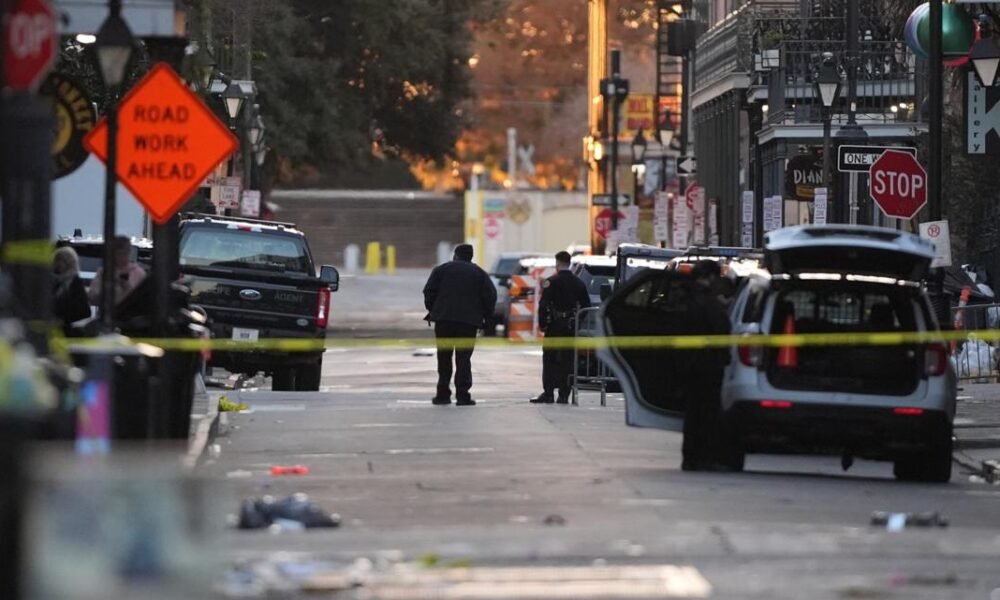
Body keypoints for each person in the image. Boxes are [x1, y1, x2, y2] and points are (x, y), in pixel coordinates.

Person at [423, 244, 497, 406]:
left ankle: (442, 394)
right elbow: (490, 296)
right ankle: (463, 395)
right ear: (471, 257)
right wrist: (485, 316)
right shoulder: (479, 273)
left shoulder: (441, 270)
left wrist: (435, 310)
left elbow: (429, 292)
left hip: (444, 321)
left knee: (444, 357)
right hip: (468, 322)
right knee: (463, 359)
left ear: (455, 255)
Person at [681, 260, 733, 471]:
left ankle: (691, 457)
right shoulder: (707, 302)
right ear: (710, 277)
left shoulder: (685, 298)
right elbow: (721, 327)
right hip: (707, 365)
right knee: (707, 412)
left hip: (691, 364)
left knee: (693, 413)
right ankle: (703, 456)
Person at [530, 251, 590, 404]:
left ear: (557, 263)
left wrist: (543, 324)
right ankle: (564, 395)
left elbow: (543, 305)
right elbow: (586, 307)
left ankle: (548, 393)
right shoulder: (578, 283)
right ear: (569, 263)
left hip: (554, 326)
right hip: (570, 327)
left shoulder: (551, 281)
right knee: (568, 360)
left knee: (550, 358)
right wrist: (577, 321)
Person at [87, 236, 146, 306]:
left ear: (129, 253)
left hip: (130, 315)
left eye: (124, 253)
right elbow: (92, 298)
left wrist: (126, 287)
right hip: (108, 314)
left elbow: (143, 301)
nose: (121, 257)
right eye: (118, 254)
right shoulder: (104, 272)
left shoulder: (139, 273)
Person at [52, 246, 92, 332]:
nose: (59, 264)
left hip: (70, 329)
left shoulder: (75, 283)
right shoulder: (53, 282)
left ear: (69, 263)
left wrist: (64, 321)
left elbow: (84, 312)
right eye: (57, 260)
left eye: (62, 260)